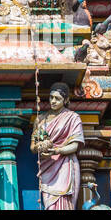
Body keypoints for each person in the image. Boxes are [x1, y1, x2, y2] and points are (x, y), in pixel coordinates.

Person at [33, 82, 84, 210]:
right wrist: (40, 146)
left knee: (64, 202)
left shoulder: (72, 118)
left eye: (58, 99)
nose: (53, 101)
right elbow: (32, 147)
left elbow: (75, 145)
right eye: (51, 97)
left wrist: (56, 150)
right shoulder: (40, 119)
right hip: (47, 166)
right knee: (50, 205)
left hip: (65, 165)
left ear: (66, 100)